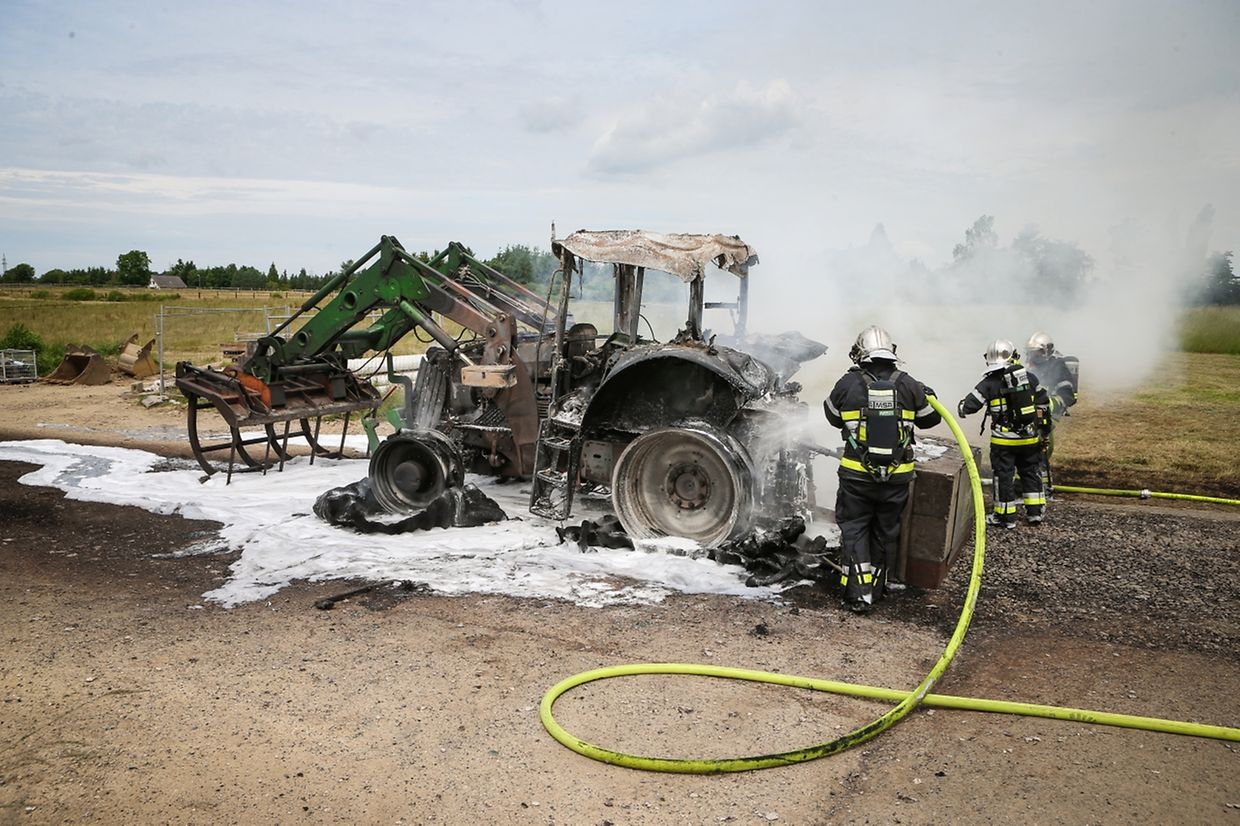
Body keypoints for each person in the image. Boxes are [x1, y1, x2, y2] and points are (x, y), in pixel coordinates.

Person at [824, 325, 941, 614]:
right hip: (897, 477)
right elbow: (931, 419)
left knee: (855, 528)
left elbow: (832, 416)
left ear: (860, 353)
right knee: (884, 530)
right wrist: (926, 394)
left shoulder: (848, 383)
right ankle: (877, 589)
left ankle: (858, 595)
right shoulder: (909, 384)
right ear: (891, 352)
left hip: (856, 476)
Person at [957, 339, 1050, 529]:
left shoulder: (988, 383)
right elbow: (1044, 406)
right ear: (1013, 355)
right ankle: (1035, 513)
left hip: (1004, 443)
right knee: (1031, 472)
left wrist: (961, 407)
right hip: (1029, 439)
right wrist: (1043, 432)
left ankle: (1006, 517)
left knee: (1004, 476)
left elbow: (968, 407)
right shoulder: (1030, 379)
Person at [1024, 331, 1079, 497]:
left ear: (1046, 351)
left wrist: (1048, 405)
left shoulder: (1058, 366)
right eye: (1031, 353)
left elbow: (1067, 395)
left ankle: (1042, 488)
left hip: (1048, 415)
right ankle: (1025, 484)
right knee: (1025, 449)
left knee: (1040, 449)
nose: (1032, 357)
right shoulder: (1031, 367)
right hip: (1030, 413)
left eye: (1036, 353)